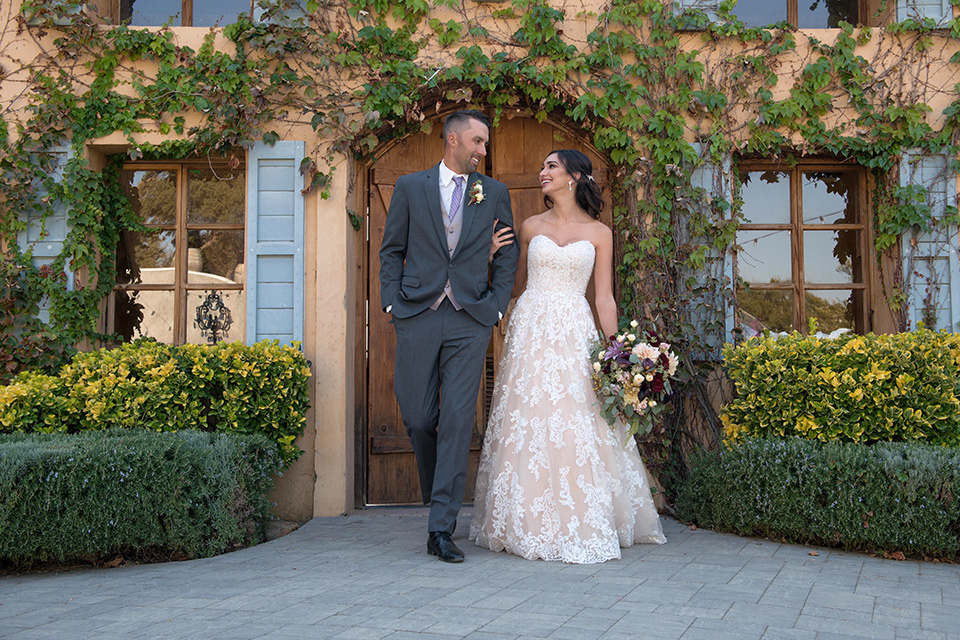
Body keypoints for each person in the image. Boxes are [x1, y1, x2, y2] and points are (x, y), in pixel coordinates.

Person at [469, 149, 666, 564]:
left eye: (550, 167)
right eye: (542, 167)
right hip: (531, 329)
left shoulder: (600, 233)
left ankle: (585, 515)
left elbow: (604, 298)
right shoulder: (528, 227)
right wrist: (486, 257)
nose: (542, 173)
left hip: (575, 331)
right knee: (530, 418)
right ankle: (524, 520)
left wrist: (618, 358)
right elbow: (513, 285)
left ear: (574, 176)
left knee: (576, 418)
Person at [379, 109, 519, 563]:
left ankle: (441, 527)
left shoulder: (493, 192)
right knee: (419, 418)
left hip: (469, 318)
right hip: (417, 313)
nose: (484, 150)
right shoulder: (409, 188)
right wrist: (390, 301)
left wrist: (495, 305)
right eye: (478, 142)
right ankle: (437, 494)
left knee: (458, 420)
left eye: (486, 144)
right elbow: (391, 250)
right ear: (453, 140)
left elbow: (508, 254)